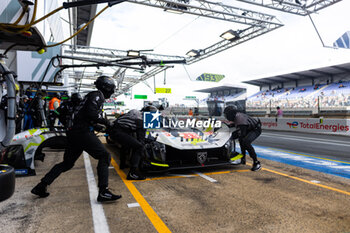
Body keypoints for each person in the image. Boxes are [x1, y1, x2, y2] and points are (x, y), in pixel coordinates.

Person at [31, 76, 122, 203]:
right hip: (82, 133)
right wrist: (107, 122)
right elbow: (91, 114)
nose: (112, 91)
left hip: (74, 133)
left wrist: (97, 126)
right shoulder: (97, 95)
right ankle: (103, 191)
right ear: (106, 87)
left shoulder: (88, 97)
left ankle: (41, 186)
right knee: (104, 156)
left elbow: (83, 116)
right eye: (112, 88)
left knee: (67, 164)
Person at [109, 106, 153, 180]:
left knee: (126, 144)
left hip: (115, 129)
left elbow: (122, 118)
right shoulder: (142, 121)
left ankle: (122, 164)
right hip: (119, 132)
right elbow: (141, 140)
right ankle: (133, 173)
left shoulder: (135, 112)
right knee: (139, 147)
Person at [224, 106, 262, 171]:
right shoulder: (237, 116)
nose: (226, 116)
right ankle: (243, 159)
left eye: (227, 114)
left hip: (255, 129)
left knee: (245, 142)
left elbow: (242, 134)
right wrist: (227, 126)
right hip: (248, 128)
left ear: (230, 114)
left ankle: (256, 162)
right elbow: (236, 125)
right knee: (236, 138)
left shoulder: (239, 118)